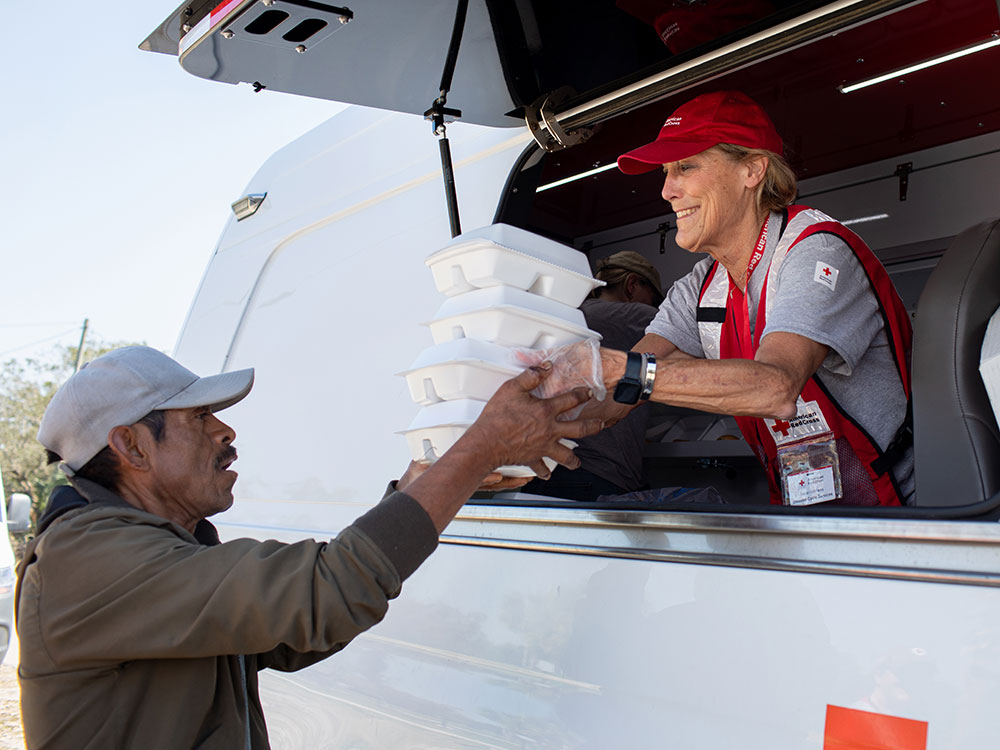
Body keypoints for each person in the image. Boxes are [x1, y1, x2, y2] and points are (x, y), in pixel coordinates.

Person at [16, 345, 600, 749]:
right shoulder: (88, 560)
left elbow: (292, 631)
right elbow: (324, 593)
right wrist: (477, 450)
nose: (226, 431)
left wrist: (432, 479)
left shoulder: (156, 545)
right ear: (132, 447)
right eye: (200, 418)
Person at [600, 90, 913, 506]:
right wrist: (522, 429)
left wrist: (623, 372)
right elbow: (618, 393)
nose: (666, 191)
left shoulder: (814, 250)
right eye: (665, 172)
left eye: (685, 167)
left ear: (752, 170)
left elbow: (776, 388)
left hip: (901, 516)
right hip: (803, 516)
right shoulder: (702, 282)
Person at [523, 251, 664, 500]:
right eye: (653, 299)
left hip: (545, 471)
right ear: (632, 285)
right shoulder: (638, 317)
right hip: (597, 475)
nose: (655, 307)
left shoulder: (565, 317)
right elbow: (697, 338)